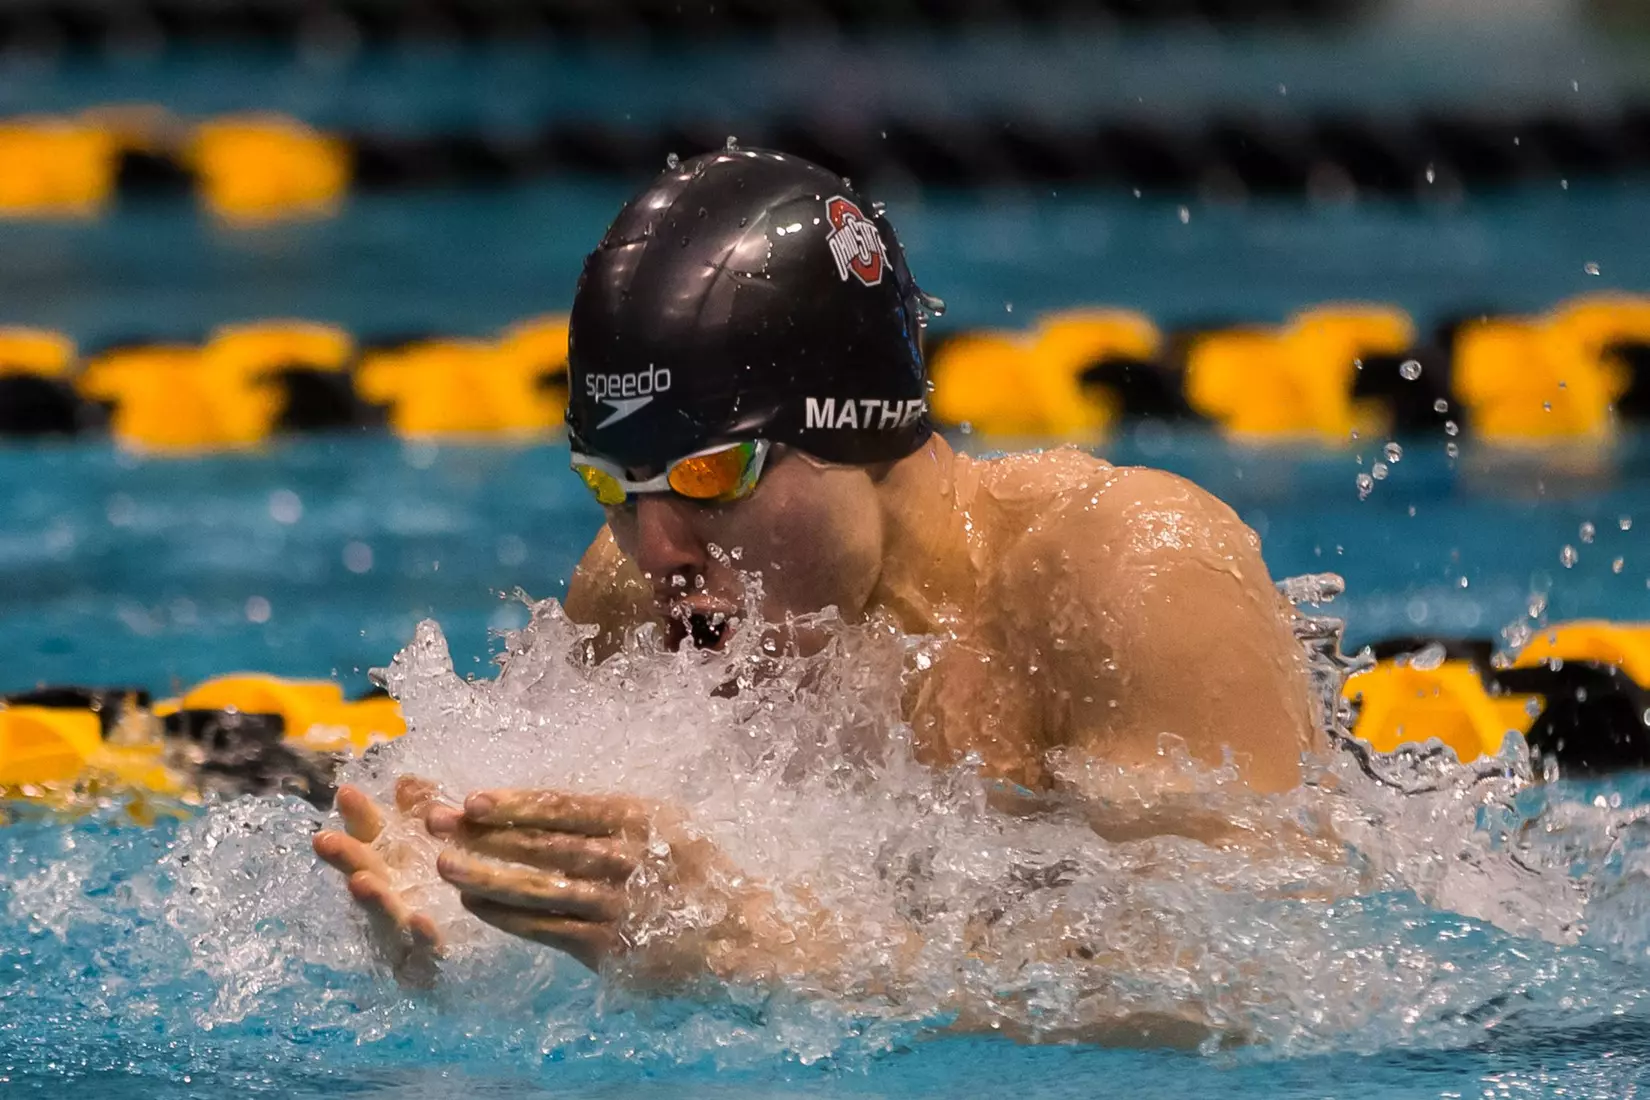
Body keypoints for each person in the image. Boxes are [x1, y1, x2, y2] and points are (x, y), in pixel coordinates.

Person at [314, 148, 1318, 999]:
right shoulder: (627, 603)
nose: (656, 549)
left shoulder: (1128, 574)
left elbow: (1261, 982)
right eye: (614, 485)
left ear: (857, 427)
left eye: (712, 475)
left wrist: (776, 948)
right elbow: (631, 957)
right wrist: (472, 927)